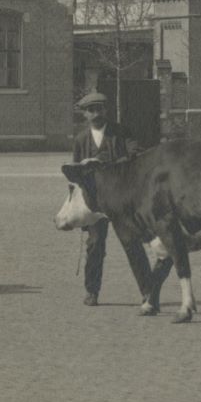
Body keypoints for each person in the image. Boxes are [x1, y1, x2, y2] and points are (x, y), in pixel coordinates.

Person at [73, 89, 159, 307]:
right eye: (91, 110)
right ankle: (92, 291)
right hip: (95, 201)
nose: (96, 114)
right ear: (85, 114)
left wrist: (113, 164)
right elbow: (75, 173)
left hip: (121, 200)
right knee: (94, 245)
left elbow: (137, 153)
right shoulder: (81, 140)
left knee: (132, 243)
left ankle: (148, 291)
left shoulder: (121, 132)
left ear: (106, 110)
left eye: (99, 109)